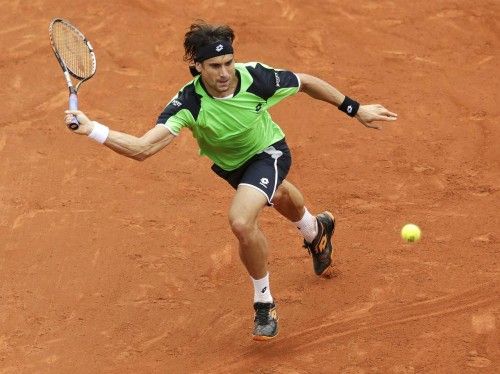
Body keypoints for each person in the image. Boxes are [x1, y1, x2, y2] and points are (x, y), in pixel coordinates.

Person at [64, 21, 397, 341]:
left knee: (241, 220)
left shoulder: (256, 78)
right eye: (213, 66)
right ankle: (315, 230)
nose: (224, 74)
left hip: (269, 152)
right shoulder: (188, 103)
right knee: (276, 195)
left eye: (228, 62)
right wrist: (92, 129)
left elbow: (306, 81)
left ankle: (264, 303)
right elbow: (142, 148)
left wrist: (356, 109)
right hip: (232, 166)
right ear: (196, 66)